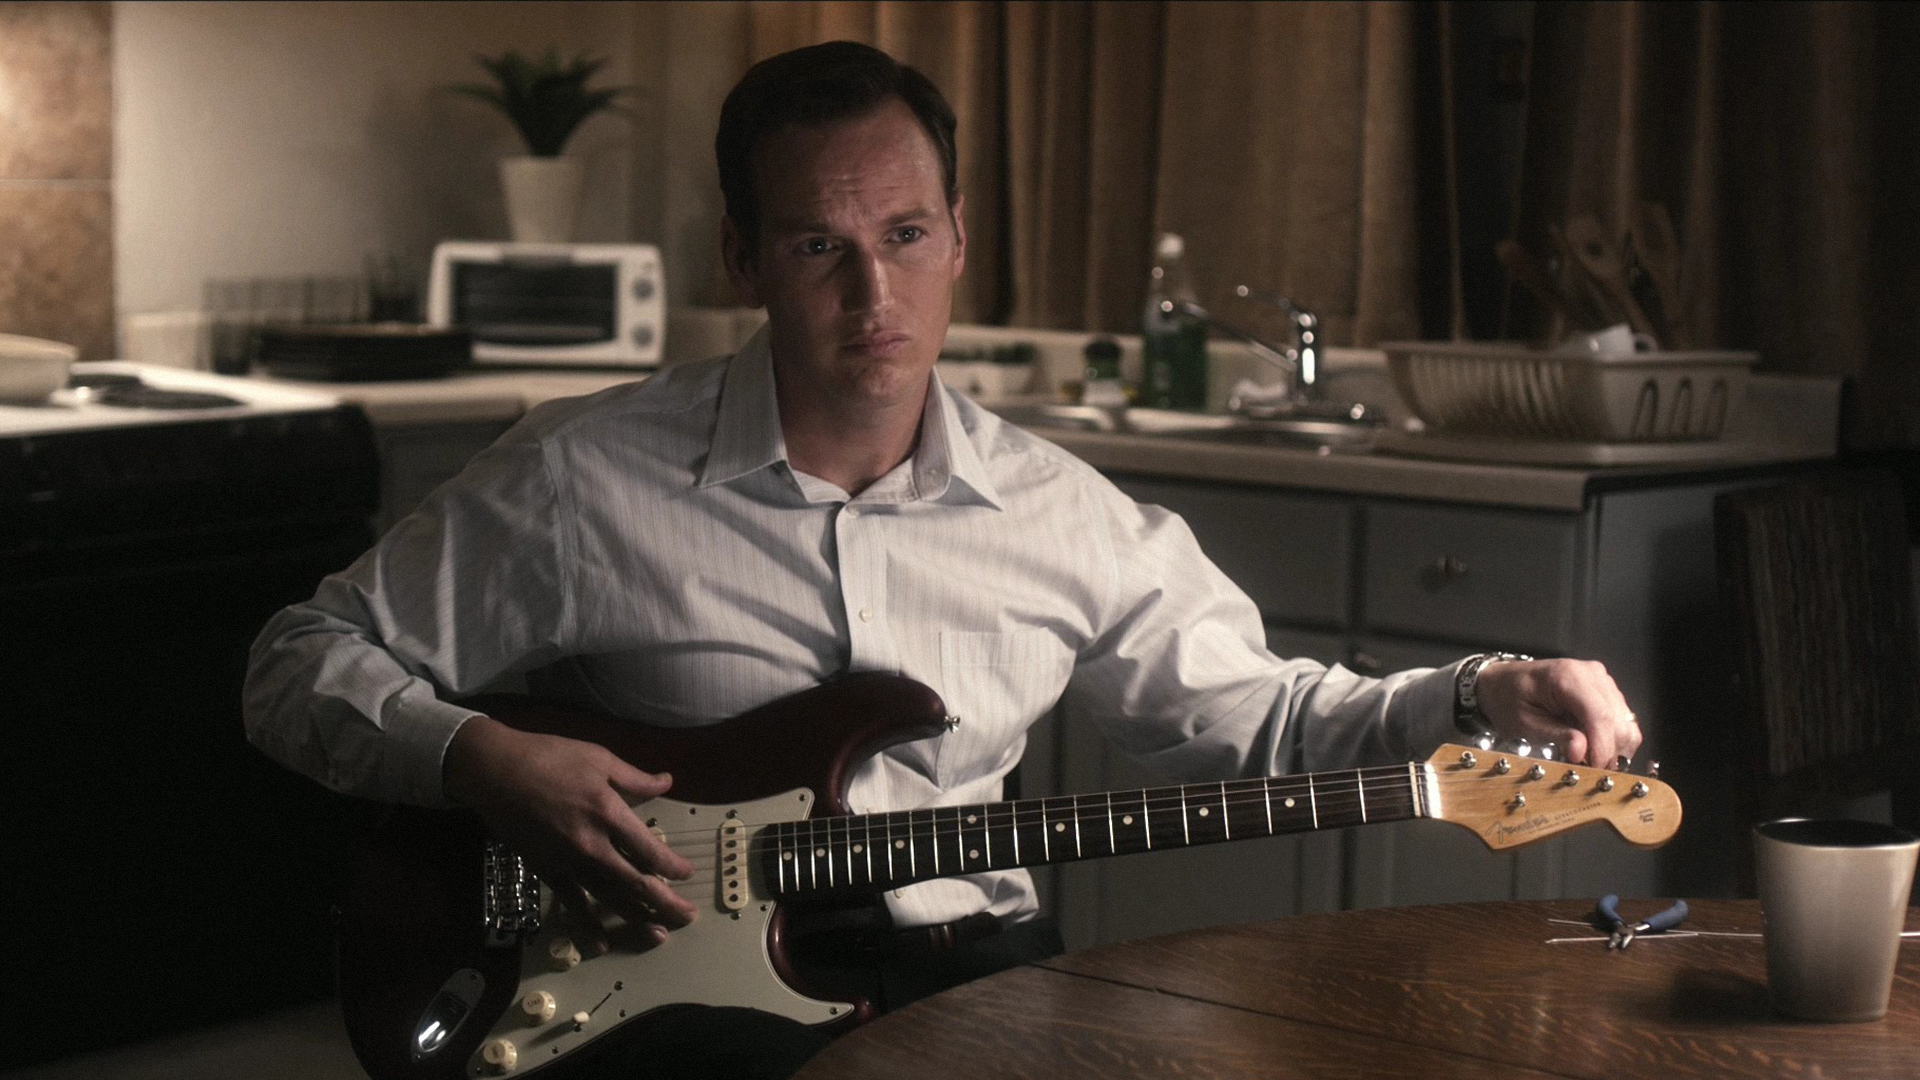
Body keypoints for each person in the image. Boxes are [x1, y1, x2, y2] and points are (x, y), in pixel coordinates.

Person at [245, 40, 1641, 1080]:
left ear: (959, 238)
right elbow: (296, 662)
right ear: (743, 256)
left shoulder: (1060, 513)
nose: (874, 293)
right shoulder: (580, 477)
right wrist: (479, 758)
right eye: (819, 245)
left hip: (972, 966)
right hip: (659, 980)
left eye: (906, 236)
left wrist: (1478, 691)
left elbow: (1260, 717)